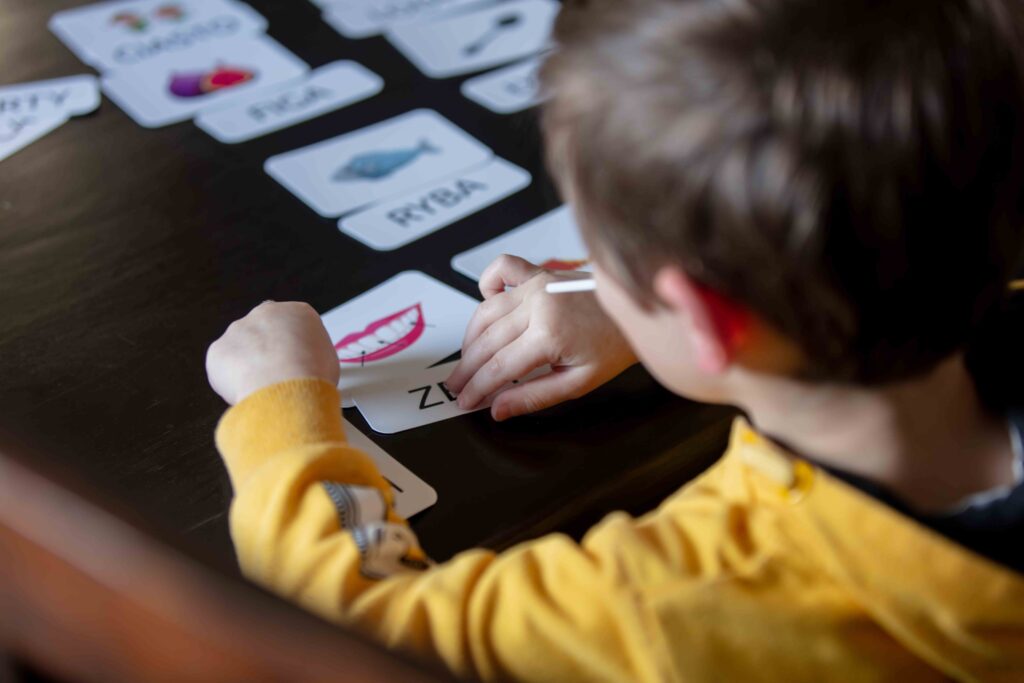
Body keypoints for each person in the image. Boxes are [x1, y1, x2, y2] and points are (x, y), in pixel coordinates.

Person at [206, 0, 1024, 679]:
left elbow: (358, 628)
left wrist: (284, 410)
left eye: (599, 248)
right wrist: (642, 301)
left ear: (709, 322)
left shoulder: (672, 608)